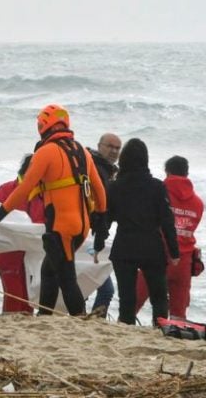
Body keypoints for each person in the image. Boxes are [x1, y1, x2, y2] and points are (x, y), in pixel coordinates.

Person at [0, 105, 107, 316]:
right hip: (82, 226)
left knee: (66, 277)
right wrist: (101, 221)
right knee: (49, 270)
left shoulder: (46, 151)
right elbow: (99, 190)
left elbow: (24, 187)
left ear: (44, 125)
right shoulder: (82, 152)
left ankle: (80, 318)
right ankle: (45, 316)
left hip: (62, 227)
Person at [105, 138, 179, 325]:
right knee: (159, 298)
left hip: (124, 245)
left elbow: (105, 217)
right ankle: (160, 329)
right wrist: (174, 251)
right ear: (145, 159)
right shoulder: (156, 186)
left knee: (127, 298)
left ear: (123, 160)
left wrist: (98, 242)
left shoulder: (115, 186)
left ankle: (126, 327)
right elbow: (167, 220)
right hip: (151, 247)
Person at [134, 155, 204, 320]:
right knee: (178, 314)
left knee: (134, 302)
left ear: (167, 172)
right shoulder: (198, 203)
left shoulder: (158, 193)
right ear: (187, 174)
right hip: (184, 261)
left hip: (156, 256)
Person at [0, 154, 45, 314]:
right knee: (14, 297)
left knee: (28, 301)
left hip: (33, 257)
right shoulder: (6, 190)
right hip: (7, 254)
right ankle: (8, 330)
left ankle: (18, 332)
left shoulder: (44, 194)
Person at [87, 133, 121, 318]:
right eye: (110, 146)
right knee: (106, 288)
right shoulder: (95, 168)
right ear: (99, 146)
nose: (114, 151)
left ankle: (89, 320)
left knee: (96, 284)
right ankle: (92, 321)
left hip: (94, 235)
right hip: (87, 234)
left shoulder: (108, 170)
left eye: (117, 148)